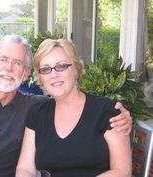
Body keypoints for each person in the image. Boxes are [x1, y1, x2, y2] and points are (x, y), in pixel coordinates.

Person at [0, 35, 132, 177]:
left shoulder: (38, 108)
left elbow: (121, 170)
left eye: (17, 63)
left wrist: (124, 115)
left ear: (27, 74)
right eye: (3, 60)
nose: (9, 68)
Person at [16, 39, 132, 177]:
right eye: (45, 69)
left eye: (61, 66)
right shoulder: (38, 113)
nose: (53, 75)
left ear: (76, 69)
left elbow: (122, 171)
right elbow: (25, 169)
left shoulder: (108, 112)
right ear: (40, 77)